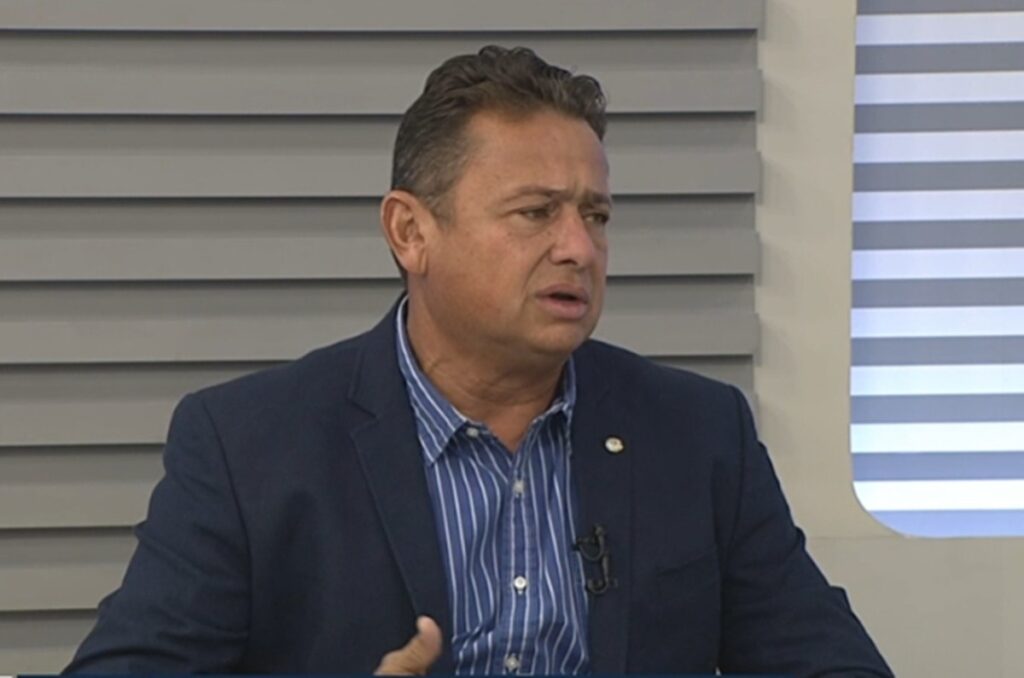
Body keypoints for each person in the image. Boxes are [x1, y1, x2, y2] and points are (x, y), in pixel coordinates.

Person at [66, 46, 892, 676]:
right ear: (410, 233)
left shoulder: (697, 433)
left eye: (596, 216)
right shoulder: (249, 445)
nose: (579, 248)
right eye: (536, 213)